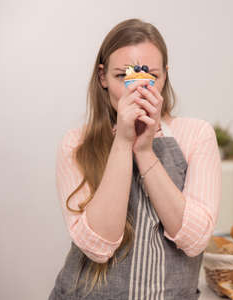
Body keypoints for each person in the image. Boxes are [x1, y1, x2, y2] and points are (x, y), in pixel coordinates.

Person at [49, 19, 221, 300]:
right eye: (123, 77)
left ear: (165, 76)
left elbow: (194, 240)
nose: (137, 91)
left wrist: (144, 151)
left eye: (149, 76)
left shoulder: (196, 134)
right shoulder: (76, 143)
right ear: (103, 77)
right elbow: (98, 246)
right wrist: (123, 142)